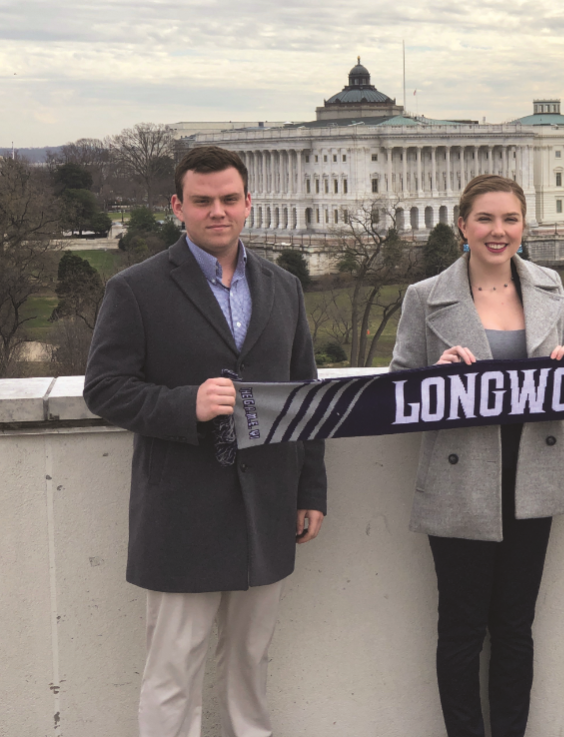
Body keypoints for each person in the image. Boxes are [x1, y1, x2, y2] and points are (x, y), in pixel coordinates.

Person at [84, 146, 326, 737]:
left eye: (228, 199)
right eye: (202, 201)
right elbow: (104, 389)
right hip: (181, 508)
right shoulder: (135, 289)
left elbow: (306, 395)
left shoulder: (283, 287)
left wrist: (310, 490)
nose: (217, 211)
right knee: (173, 669)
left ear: (248, 203)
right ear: (177, 206)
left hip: (266, 504)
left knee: (250, 663)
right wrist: (183, 404)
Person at [390, 174, 564, 737]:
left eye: (510, 220)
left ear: (524, 225)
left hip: (533, 476)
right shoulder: (424, 296)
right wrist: (435, 377)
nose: (499, 232)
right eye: (486, 220)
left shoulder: (550, 286)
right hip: (460, 479)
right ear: (462, 227)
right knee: (462, 631)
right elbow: (398, 388)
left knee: (515, 629)